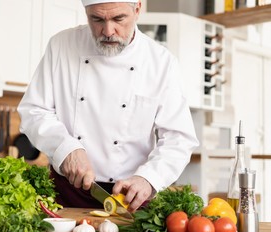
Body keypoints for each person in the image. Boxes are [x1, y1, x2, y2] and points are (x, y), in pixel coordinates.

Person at [17, 0, 199, 212]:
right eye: (97, 19)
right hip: (66, 195)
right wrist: (66, 149)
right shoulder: (61, 45)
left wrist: (149, 179)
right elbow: (34, 110)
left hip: (131, 200)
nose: (108, 31)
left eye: (118, 19)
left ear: (137, 9)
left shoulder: (161, 63)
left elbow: (179, 138)